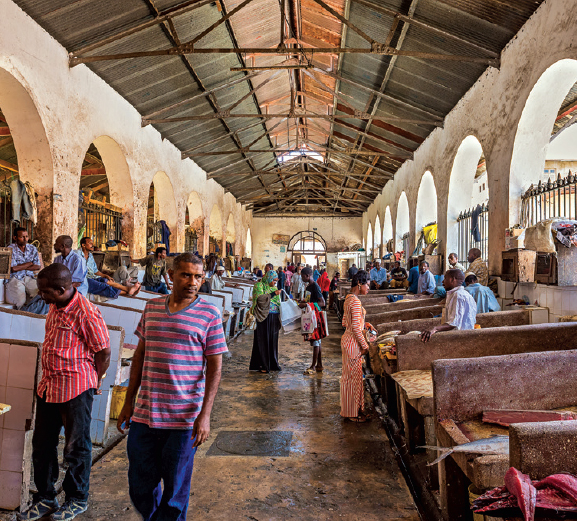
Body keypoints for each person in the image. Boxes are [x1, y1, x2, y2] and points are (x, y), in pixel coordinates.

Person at [117, 253, 227, 521]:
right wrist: (128, 402)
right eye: (186, 275)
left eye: (198, 276)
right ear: (171, 275)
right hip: (146, 414)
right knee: (140, 484)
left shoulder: (209, 313)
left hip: (183, 419)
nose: (193, 282)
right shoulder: (152, 308)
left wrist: (205, 415)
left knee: (176, 490)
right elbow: (140, 356)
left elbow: (215, 368)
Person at [20, 264, 110, 521]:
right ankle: (46, 497)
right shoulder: (54, 305)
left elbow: (103, 352)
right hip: (49, 386)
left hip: (76, 389)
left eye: (45, 292)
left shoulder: (86, 313)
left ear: (61, 290)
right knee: (43, 445)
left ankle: (77, 498)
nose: (41, 296)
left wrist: (96, 380)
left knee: (76, 448)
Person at [340, 270, 373, 423]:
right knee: (352, 380)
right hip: (353, 343)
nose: (368, 288)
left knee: (351, 378)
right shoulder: (355, 301)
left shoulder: (349, 298)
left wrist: (363, 324)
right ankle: (352, 414)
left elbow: (346, 322)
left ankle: (352, 410)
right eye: (367, 284)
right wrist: (365, 345)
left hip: (348, 341)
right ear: (359, 284)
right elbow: (354, 327)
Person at [421, 269, 477, 342]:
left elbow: (454, 323)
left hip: (460, 339)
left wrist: (435, 328)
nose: (443, 282)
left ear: (452, 279)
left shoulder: (458, 296)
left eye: (445, 278)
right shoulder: (457, 294)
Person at [77, 237, 141, 299]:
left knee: (107, 281)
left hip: (93, 277)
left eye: (92, 243)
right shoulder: (77, 254)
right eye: (90, 243)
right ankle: (127, 292)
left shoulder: (90, 256)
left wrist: (105, 275)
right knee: (103, 286)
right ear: (83, 245)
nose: (92, 244)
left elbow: (95, 271)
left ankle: (128, 289)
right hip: (84, 279)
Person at [249, 270, 282, 373]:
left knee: (272, 340)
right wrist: (273, 294)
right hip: (262, 317)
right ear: (268, 278)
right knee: (262, 340)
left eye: (276, 281)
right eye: (274, 281)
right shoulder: (259, 286)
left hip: (274, 317)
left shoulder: (274, 287)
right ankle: (262, 364)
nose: (275, 283)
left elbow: (278, 302)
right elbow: (260, 299)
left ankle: (272, 363)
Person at [5, 227, 41, 308]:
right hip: (15, 278)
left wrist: (21, 266)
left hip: (29, 277)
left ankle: (34, 315)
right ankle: (22, 316)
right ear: (15, 238)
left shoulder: (32, 248)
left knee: (39, 293)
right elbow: (13, 269)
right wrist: (30, 263)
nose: (25, 239)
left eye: (27, 236)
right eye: (22, 237)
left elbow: (38, 266)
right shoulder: (10, 249)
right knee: (21, 301)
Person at [299, 267, 325, 375]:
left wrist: (307, 304)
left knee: (315, 340)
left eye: (302, 276)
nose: (301, 278)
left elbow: (322, 302)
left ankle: (313, 366)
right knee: (316, 340)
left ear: (307, 276)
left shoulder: (315, 286)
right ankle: (319, 364)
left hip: (316, 316)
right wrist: (303, 302)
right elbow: (311, 300)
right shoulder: (308, 286)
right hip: (311, 315)